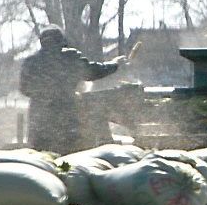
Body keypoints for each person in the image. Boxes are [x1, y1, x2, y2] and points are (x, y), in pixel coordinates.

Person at [19, 26, 127, 155]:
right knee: (70, 159)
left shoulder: (30, 62)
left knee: (41, 160)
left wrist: (44, 95)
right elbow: (93, 72)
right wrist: (114, 64)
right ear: (61, 41)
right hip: (66, 118)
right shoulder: (70, 58)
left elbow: (24, 88)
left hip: (39, 122)